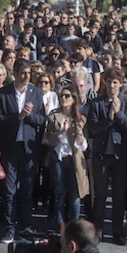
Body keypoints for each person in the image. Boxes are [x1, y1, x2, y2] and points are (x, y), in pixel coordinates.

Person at [0, 59, 47, 244]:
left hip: (29, 147)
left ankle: (26, 226)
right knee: (8, 191)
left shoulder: (36, 92)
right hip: (10, 148)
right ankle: (9, 228)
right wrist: (19, 117)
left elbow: (42, 120)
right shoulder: (3, 93)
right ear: (14, 73)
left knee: (27, 190)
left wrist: (30, 116)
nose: (26, 76)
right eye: (23, 73)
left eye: (28, 73)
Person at [87, 66, 127, 245]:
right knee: (99, 196)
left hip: (121, 156)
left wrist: (119, 114)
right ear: (105, 83)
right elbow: (92, 128)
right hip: (101, 155)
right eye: (109, 82)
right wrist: (108, 118)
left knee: (119, 196)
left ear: (121, 84)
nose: (112, 85)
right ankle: (97, 231)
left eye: (116, 82)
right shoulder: (96, 102)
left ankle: (118, 232)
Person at [45, 85, 89, 233]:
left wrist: (80, 133)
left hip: (75, 159)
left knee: (75, 195)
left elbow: (84, 147)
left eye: (67, 96)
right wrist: (62, 131)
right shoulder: (53, 116)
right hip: (59, 158)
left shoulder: (81, 118)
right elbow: (49, 140)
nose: (64, 98)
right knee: (59, 193)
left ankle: (74, 225)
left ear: (73, 99)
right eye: (62, 96)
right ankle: (60, 225)